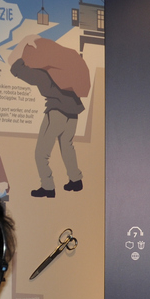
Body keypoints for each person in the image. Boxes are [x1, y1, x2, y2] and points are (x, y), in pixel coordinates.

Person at [6, 34, 88, 198]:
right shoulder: (63, 70)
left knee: (41, 153)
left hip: (56, 112)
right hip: (73, 113)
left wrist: (25, 40)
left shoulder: (42, 74)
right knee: (67, 147)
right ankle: (76, 180)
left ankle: (48, 187)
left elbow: (14, 64)